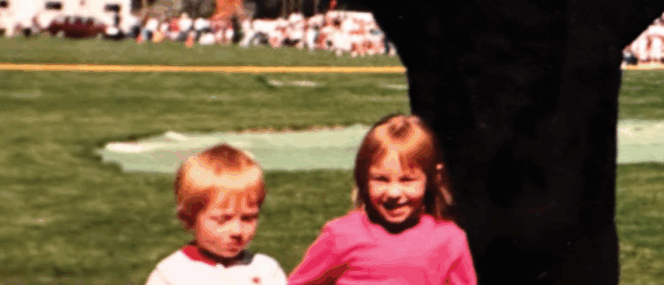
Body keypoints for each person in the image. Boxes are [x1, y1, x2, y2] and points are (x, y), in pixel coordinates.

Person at [287, 114, 476, 285]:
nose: (393, 193)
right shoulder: (341, 235)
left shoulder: (450, 240)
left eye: (407, 180)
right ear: (363, 178)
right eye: (381, 179)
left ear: (433, 178)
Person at [145, 144, 287, 285]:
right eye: (223, 219)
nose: (237, 231)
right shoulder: (171, 274)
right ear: (188, 219)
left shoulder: (266, 270)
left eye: (248, 218)